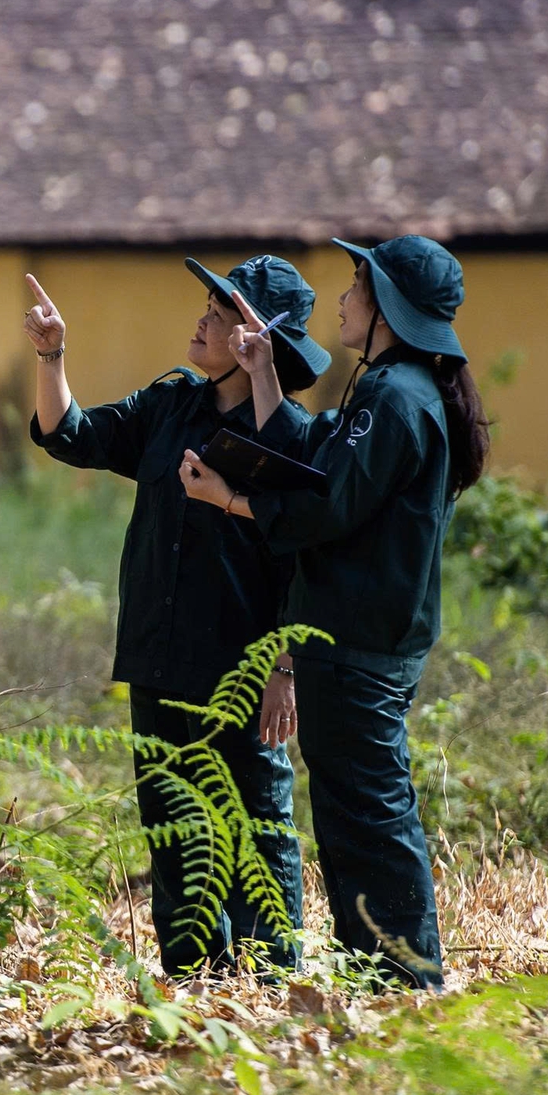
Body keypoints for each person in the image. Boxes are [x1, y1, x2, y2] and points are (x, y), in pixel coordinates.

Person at [178, 235, 490, 989]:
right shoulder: (394, 389)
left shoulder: (394, 397)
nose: (344, 300)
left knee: (370, 818)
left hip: (357, 644)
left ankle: (408, 981)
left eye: (356, 286)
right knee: (355, 816)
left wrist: (232, 500)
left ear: (387, 308)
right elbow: (317, 456)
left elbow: (326, 504)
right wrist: (263, 373)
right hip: (363, 641)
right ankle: (376, 978)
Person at [23, 255, 331, 975]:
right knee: (171, 818)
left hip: (241, 667)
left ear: (258, 338)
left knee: (255, 820)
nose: (201, 321)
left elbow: (304, 560)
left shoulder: (291, 435)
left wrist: (284, 669)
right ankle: (194, 974)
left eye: (220, 315)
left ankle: (272, 974)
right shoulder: (170, 405)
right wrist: (52, 355)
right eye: (208, 308)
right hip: (157, 653)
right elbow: (72, 433)